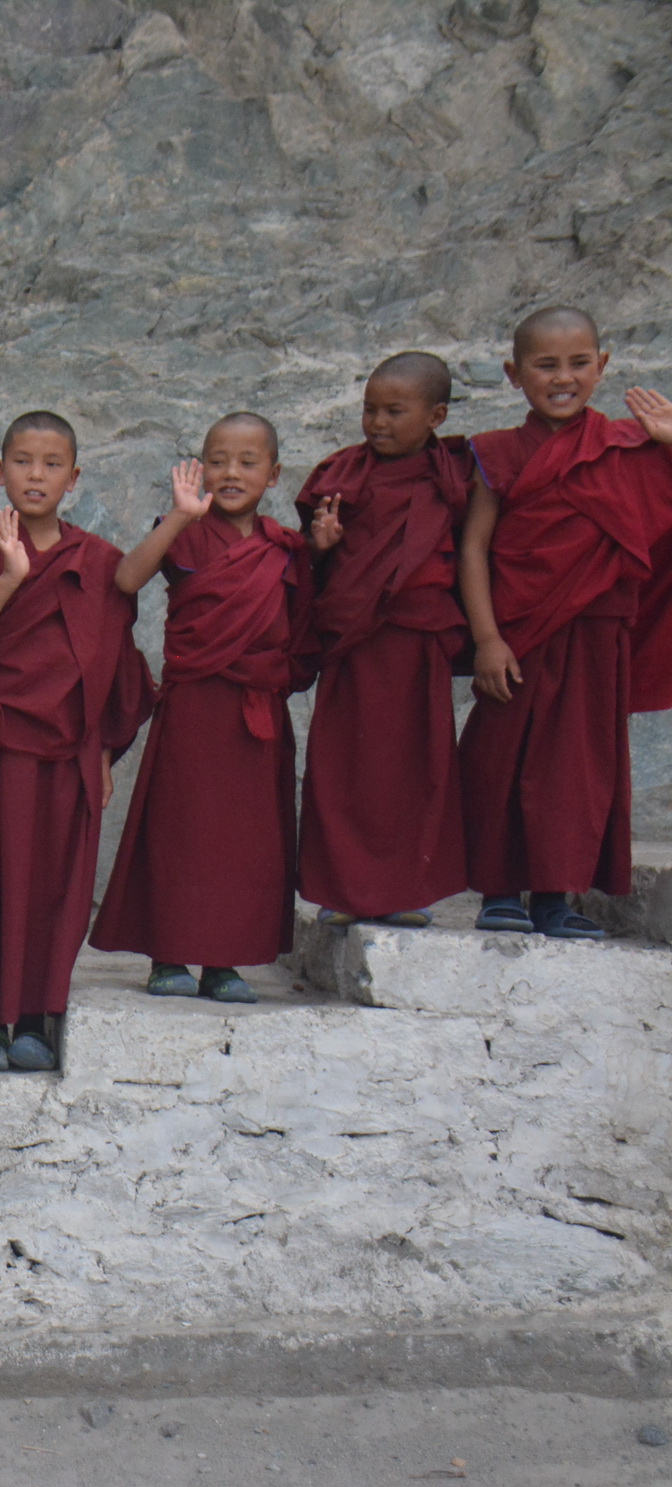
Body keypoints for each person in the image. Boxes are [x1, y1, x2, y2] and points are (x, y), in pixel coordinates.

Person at [0, 413, 153, 1070]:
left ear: (74, 477)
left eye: (51, 463)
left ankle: (36, 1017)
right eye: (23, 461)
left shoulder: (96, 561)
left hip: (68, 752)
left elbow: (112, 659)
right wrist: (10, 577)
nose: (36, 475)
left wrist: (100, 751)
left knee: (55, 886)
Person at [458, 307, 672, 936]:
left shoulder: (629, 448)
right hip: (519, 633)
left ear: (601, 367)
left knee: (578, 768)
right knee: (500, 757)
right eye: (545, 364)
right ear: (513, 374)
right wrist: (487, 638)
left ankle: (556, 897)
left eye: (579, 363)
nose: (563, 377)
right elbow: (474, 547)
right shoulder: (496, 453)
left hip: (597, 635)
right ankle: (499, 892)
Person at [90, 419, 311, 1001]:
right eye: (218, 461)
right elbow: (126, 578)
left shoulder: (283, 547)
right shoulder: (184, 532)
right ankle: (167, 957)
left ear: (274, 473)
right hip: (194, 707)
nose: (231, 473)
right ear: (200, 468)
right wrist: (181, 516)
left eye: (247, 462)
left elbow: (305, 626)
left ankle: (224, 961)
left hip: (255, 709)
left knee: (246, 840)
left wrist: (329, 550)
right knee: (179, 831)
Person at [292, 353, 474, 928]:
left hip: (418, 645)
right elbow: (310, 566)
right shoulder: (342, 474)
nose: (378, 422)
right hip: (354, 645)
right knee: (341, 768)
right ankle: (341, 891)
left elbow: (474, 553)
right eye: (370, 408)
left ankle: (403, 890)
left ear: (436, 415)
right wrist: (320, 545)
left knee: (415, 770)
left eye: (396, 411)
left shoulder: (454, 477)